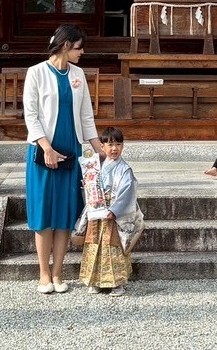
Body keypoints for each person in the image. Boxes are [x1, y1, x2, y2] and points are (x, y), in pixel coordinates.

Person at [22, 24, 102, 295]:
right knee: (44, 212)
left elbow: (86, 116)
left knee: (65, 212)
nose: (82, 52)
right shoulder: (36, 73)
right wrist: (46, 148)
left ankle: (58, 273)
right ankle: (43, 274)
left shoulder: (78, 74)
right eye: (79, 47)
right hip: (43, 151)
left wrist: (99, 149)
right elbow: (31, 115)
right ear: (66, 46)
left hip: (71, 150)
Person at [76, 126, 141, 294]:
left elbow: (128, 192)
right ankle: (95, 280)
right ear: (102, 146)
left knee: (113, 246)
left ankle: (116, 282)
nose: (114, 149)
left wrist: (115, 210)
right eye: (110, 144)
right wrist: (88, 186)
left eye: (118, 144)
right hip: (97, 212)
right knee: (94, 244)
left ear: (123, 146)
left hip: (113, 214)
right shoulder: (97, 167)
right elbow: (92, 186)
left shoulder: (125, 169)